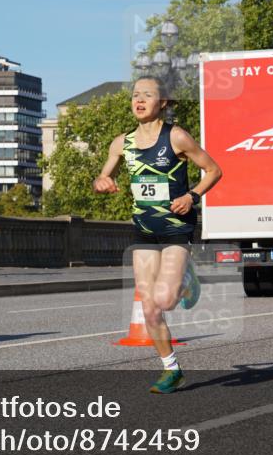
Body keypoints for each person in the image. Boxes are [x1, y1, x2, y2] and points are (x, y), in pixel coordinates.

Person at [94, 76, 221, 394]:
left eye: (147, 95)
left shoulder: (176, 137)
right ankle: (171, 369)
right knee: (149, 307)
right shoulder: (121, 143)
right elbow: (103, 176)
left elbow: (214, 170)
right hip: (145, 230)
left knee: (164, 299)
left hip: (176, 228)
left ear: (162, 102)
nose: (139, 100)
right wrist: (102, 182)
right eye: (135, 95)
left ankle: (188, 278)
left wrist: (192, 196)